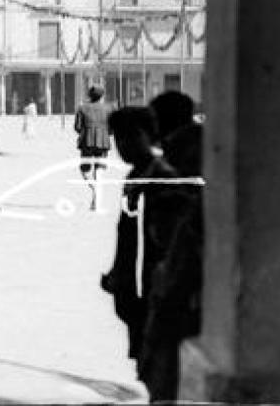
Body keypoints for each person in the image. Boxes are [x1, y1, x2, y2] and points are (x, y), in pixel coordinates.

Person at [99, 106, 188, 401]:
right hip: (136, 292)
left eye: (130, 137)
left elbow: (170, 242)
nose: (122, 146)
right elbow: (127, 235)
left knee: (160, 371)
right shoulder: (135, 177)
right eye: (118, 139)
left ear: (149, 136)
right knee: (145, 365)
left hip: (156, 291)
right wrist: (116, 274)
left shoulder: (164, 178)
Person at [142, 91, 205, 403]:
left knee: (168, 365)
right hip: (183, 275)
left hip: (180, 276)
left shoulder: (179, 154)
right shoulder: (198, 144)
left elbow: (178, 224)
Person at [74, 84, 112, 210]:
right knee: (99, 170)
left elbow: (78, 128)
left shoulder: (82, 108)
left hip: (87, 142)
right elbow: (112, 129)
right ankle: (97, 197)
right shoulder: (109, 108)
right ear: (102, 96)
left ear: (89, 95)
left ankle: (95, 190)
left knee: (85, 169)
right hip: (103, 142)